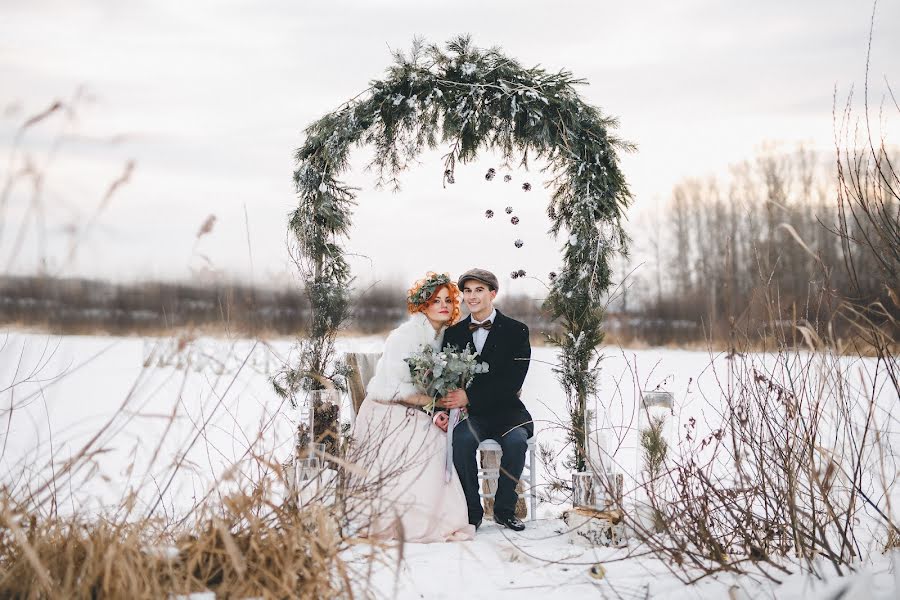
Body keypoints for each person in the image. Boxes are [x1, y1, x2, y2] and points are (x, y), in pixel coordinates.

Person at [350, 272, 474, 542]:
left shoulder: (443, 337)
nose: (443, 305)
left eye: (448, 300)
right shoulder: (404, 335)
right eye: (435, 300)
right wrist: (437, 404)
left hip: (418, 409)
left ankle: (437, 514)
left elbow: (437, 385)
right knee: (429, 442)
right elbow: (397, 387)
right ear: (423, 305)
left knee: (441, 437)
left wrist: (441, 408)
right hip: (385, 408)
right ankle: (412, 518)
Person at [441, 268, 533, 532]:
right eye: (467, 291)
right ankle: (472, 512)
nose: (472, 296)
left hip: (509, 413)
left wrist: (470, 395)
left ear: (493, 293)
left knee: (516, 444)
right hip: (474, 416)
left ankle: (504, 510)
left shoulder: (517, 331)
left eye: (479, 290)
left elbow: (513, 381)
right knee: (460, 441)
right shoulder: (454, 334)